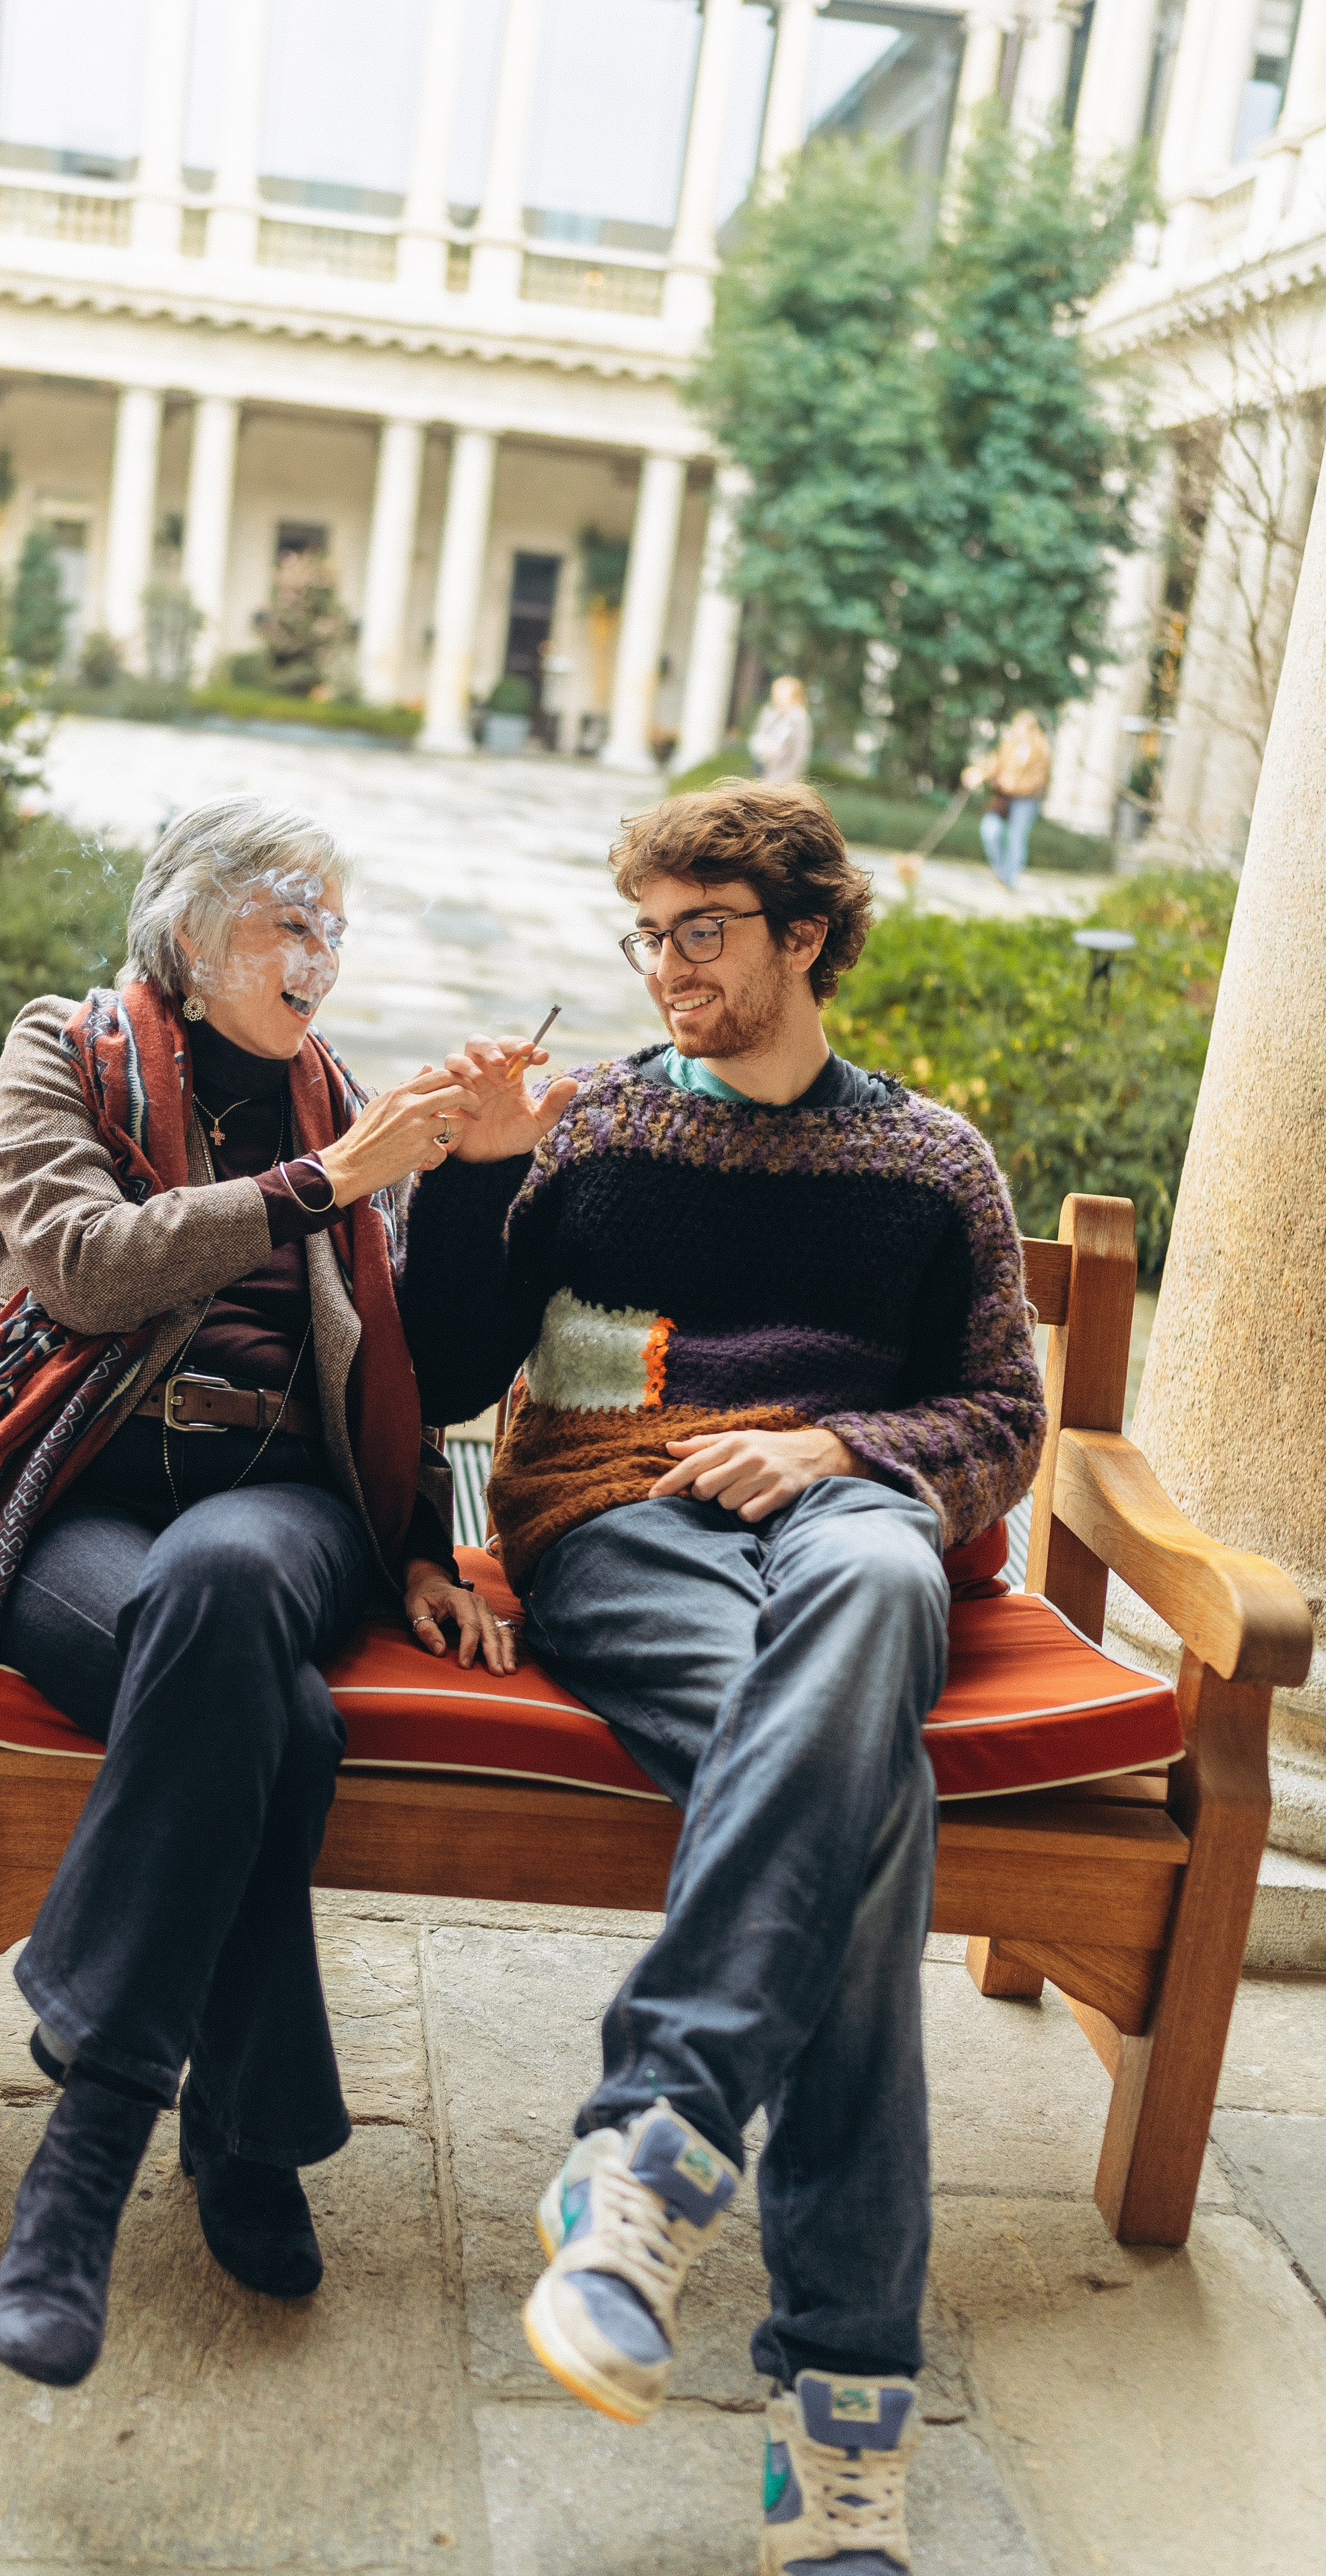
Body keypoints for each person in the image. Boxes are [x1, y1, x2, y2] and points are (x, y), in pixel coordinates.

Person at [0, 795, 505, 2388]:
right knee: (259, 1709)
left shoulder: (345, 1101)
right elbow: (77, 1259)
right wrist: (314, 1186)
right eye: (291, 919)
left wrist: (467, 1179)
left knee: (222, 1593)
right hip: (62, 1491)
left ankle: (84, 2154)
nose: (321, 954)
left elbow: (425, 1363)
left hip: (283, 1503)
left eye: (337, 923)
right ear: (191, 934)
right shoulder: (66, 1050)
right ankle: (245, 2128)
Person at [400, 779, 1047, 2573]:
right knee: (869, 1809)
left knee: (872, 1584)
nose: (670, 967)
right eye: (652, 935)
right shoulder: (595, 1121)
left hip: (845, 1517)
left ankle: (656, 2150)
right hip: (618, 1518)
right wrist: (464, 1175)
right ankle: (842, 2429)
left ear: (808, 936)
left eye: (707, 932)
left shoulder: (933, 1166)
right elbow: (445, 1365)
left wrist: (843, 1459)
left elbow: (1003, 1416)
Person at [965, 709, 1051, 891]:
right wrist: (977, 774)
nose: (1017, 731)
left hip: (1026, 801)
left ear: (1031, 729)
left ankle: (1008, 879)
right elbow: (993, 765)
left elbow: (1038, 782)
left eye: (1022, 727)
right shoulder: (1009, 746)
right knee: (990, 830)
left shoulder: (1042, 751)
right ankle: (1001, 872)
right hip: (1004, 799)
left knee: (1016, 839)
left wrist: (1012, 785)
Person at [750, 676, 812, 785]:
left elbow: (800, 753)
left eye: (783, 692)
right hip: (765, 774)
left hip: (787, 777)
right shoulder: (769, 714)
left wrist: (791, 780)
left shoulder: (799, 718)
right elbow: (758, 737)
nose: (778, 695)